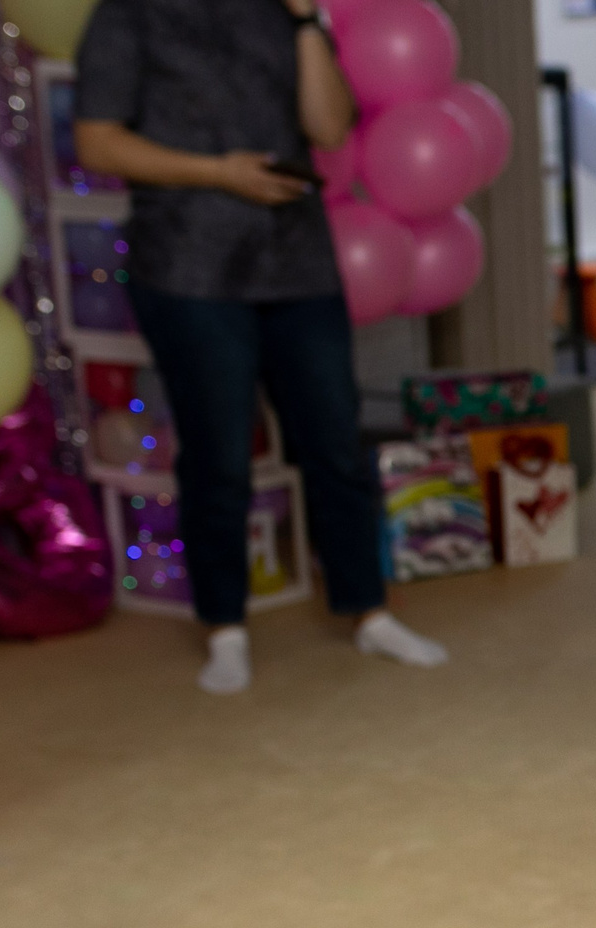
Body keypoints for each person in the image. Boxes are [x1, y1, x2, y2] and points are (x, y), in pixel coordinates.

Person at [73, 0, 447, 696]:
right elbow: (98, 142)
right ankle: (225, 628)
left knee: (335, 440)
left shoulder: (287, 12)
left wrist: (307, 20)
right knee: (218, 453)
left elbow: (329, 127)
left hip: (297, 260)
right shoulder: (129, 12)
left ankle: (369, 612)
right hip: (188, 264)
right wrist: (218, 173)